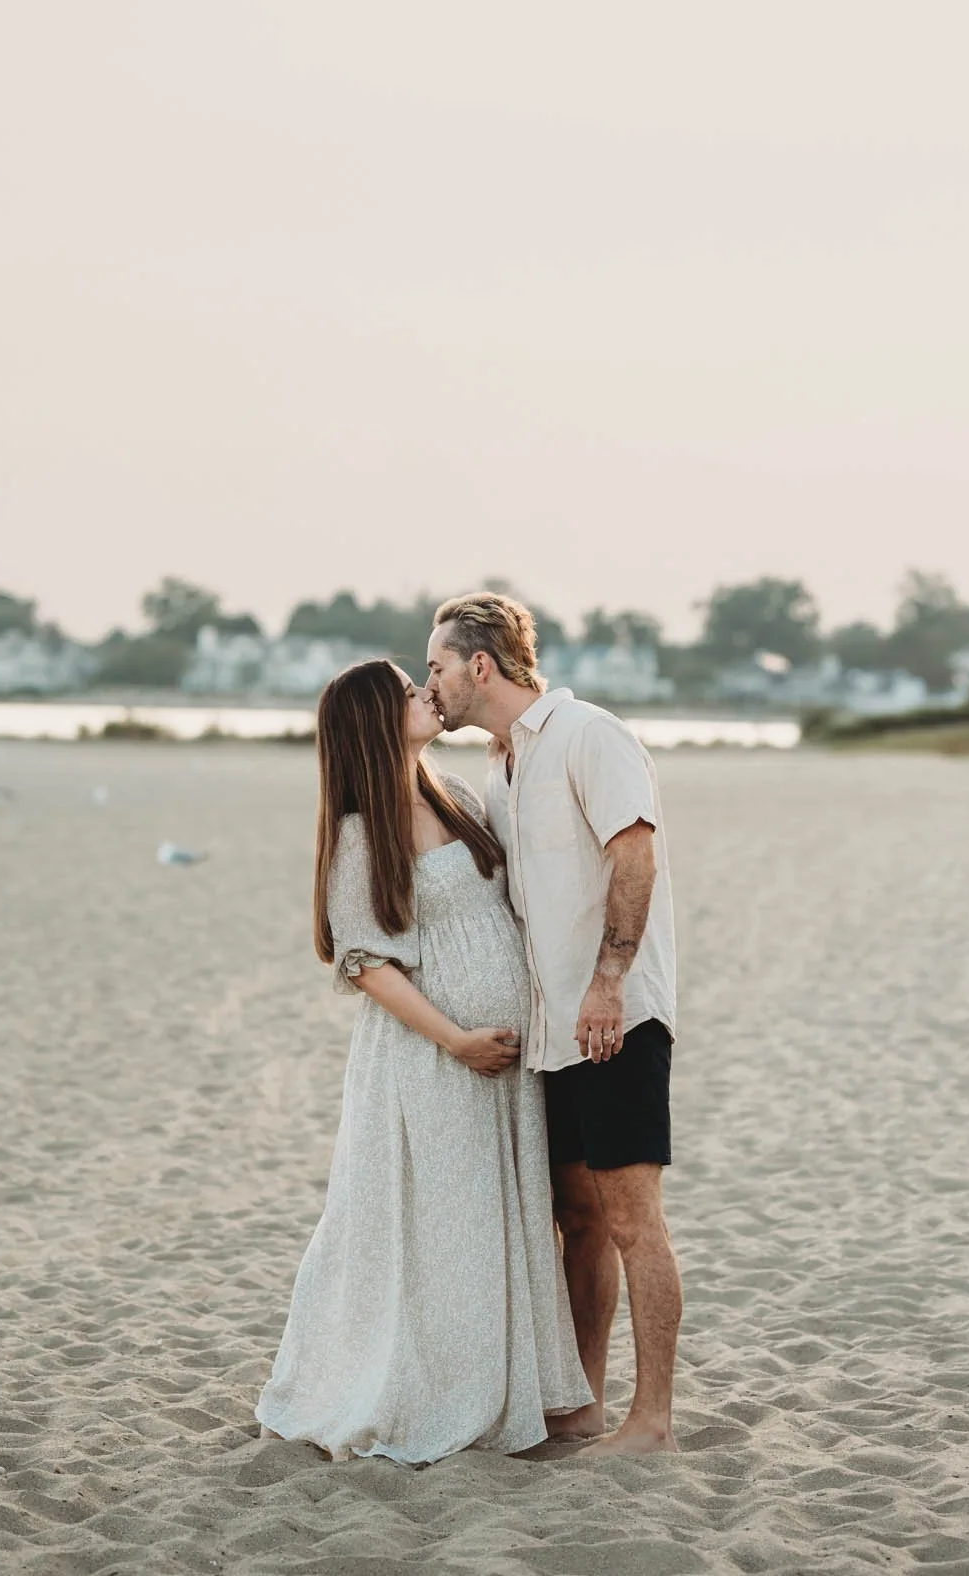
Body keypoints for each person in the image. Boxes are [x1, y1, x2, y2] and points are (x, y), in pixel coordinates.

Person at [256, 658, 592, 1464]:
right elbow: (367, 964)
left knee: (491, 1223)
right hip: (433, 1062)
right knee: (439, 1228)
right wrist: (456, 1039)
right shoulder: (359, 831)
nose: (424, 695)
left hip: (504, 1071)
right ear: (374, 720)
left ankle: (508, 1393)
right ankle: (431, 1392)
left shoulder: (458, 796)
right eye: (407, 691)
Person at [426, 592, 682, 1456]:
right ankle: (582, 1402)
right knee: (576, 1216)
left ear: (480, 667)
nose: (432, 684)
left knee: (631, 1219)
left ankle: (651, 1420)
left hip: (615, 1019)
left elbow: (634, 852)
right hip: (550, 1034)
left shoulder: (588, 737)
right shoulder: (500, 767)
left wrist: (609, 980)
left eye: (437, 667)